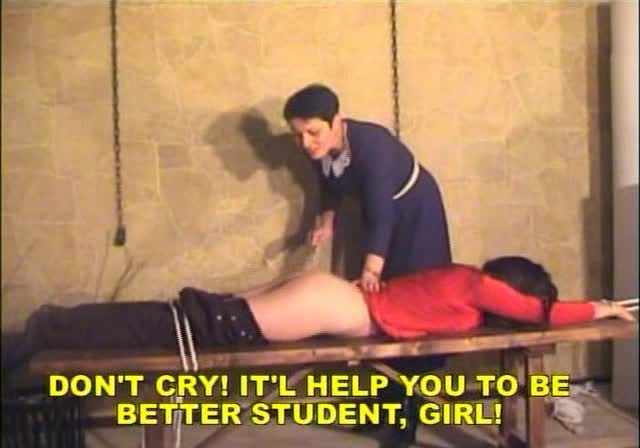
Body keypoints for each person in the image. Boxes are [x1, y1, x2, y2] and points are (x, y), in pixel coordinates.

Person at [4, 256, 635, 376]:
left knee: (181, 322)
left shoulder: (460, 281)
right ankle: (44, 330)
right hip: (329, 303)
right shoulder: (477, 285)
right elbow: (539, 312)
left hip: (326, 297)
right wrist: (602, 307)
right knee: (177, 328)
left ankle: (44, 329)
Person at [284, 84, 453, 443]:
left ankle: (406, 417)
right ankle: (385, 404)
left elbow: (381, 215)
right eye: (298, 135)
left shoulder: (372, 144)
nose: (306, 143)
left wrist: (372, 269)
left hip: (416, 216)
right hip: (383, 220)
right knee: (380, 314)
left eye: (313, 132)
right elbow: (329, 186)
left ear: (337, 121)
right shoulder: (319, 147)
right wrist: (326, 222)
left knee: (414, 310)